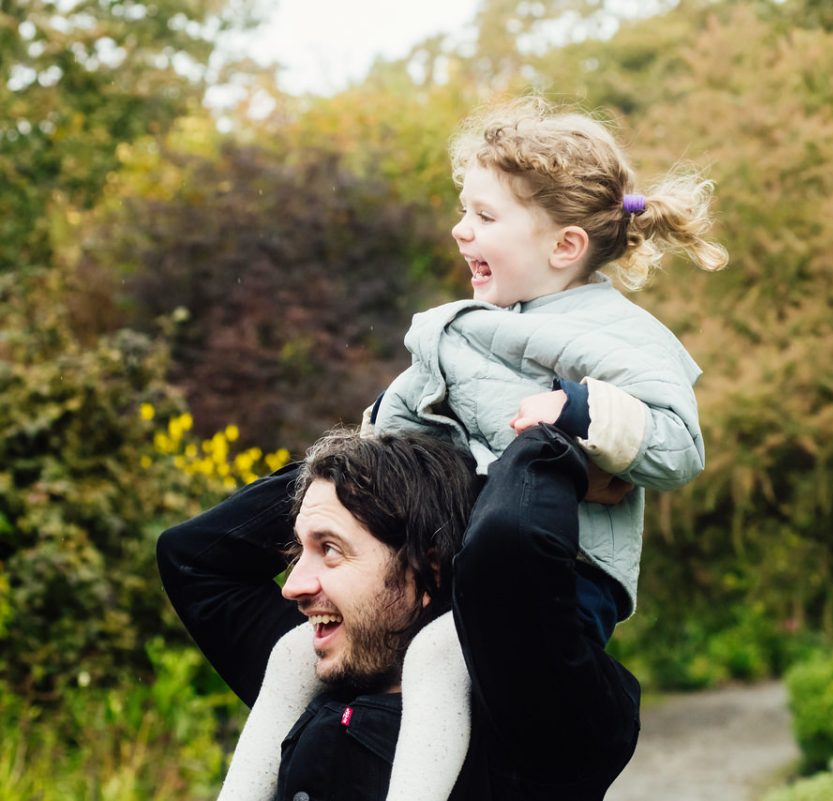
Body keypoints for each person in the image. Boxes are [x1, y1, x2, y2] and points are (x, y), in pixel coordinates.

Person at [182, 95, 728, 799]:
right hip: (461, 565)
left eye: (484, 217)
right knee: (295, 652)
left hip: (559, 578)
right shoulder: (463, 330)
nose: (459, 229)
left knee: (443, 649)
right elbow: (397, 423)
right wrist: (373, 442)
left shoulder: (620, 335)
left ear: (564, 245)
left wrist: (581, 411)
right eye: (463, 209)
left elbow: (680, 445)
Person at [158, 425, 642, 800]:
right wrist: (390, 427)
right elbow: (194, 557)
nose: (295, 587)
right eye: (296, 551)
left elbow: (506, 542)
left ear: (426, 569)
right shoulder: (329, 671)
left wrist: (546, 446)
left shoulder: (535, 709)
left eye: (329, 550)